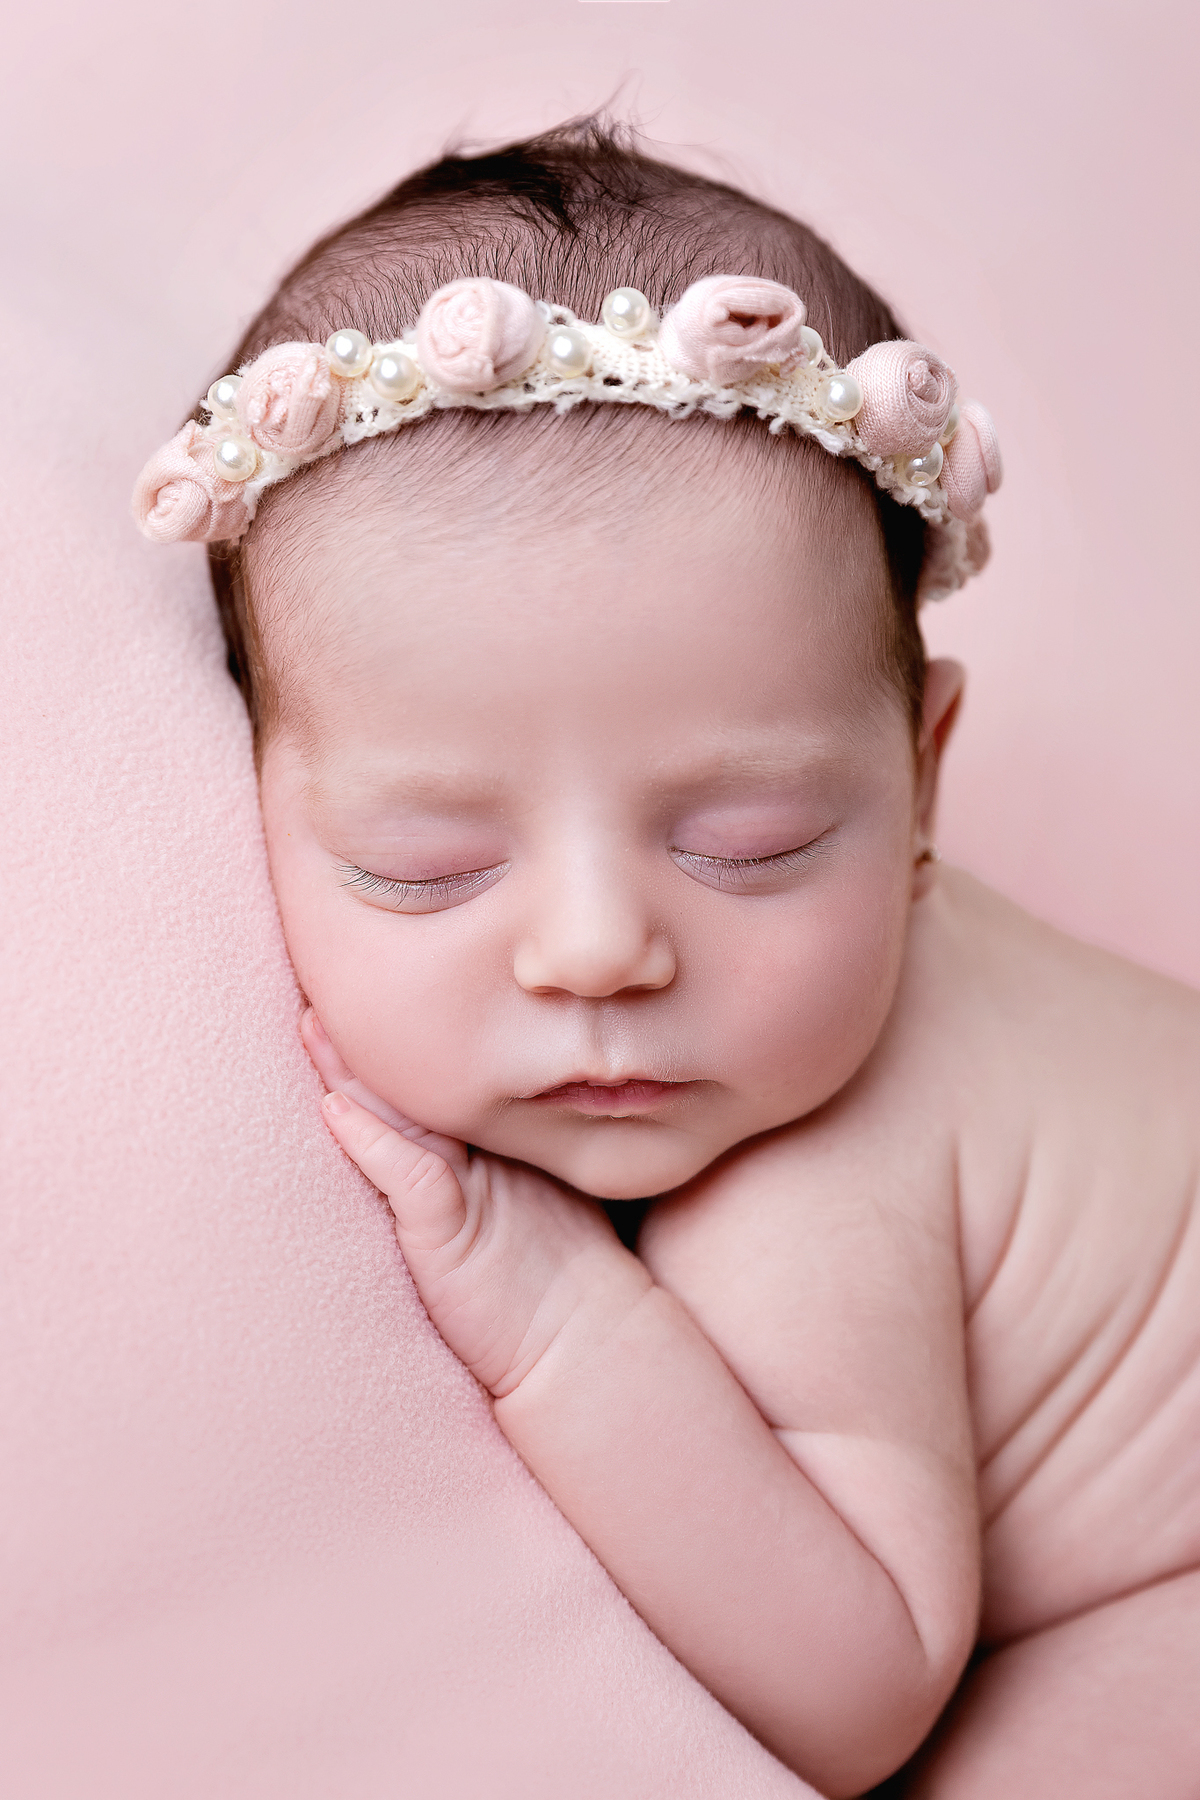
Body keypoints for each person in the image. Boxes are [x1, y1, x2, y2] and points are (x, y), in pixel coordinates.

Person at [132, 122, 1200, 1798]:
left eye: (752, 847)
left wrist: (553, 1306)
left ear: (922, 780)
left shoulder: (807, 1182)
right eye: (429, 866)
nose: (599, 948)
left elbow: (859, 1691)